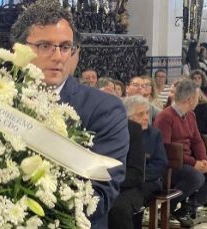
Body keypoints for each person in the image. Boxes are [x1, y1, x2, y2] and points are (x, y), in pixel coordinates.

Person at [10, 1, 129, 228]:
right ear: (18, 48)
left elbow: (100, 195)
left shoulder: (104, 109)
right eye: (45, 46)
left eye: (65, 47)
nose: (58, 57)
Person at [153, 79, 207, 227]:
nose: (198, 100)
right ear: (190, 99)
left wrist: (203, 159)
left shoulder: (190, 115)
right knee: (196, 177)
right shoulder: (165, 116)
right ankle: (166, 207)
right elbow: (166, 149)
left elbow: (197, 140)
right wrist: (193, 163)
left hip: (188, 160)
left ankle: (188, 208)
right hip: (171, 163)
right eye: (197, 97)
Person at [109, 95, 169, 228]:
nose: (146, 117)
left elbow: (160, 163)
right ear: (128, 117)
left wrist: (140, 175)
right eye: (140, 114)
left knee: (121, 206)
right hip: (125, 180)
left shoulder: (154, 135)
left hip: (148, 182)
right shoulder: (123, 133)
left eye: (147, 113)